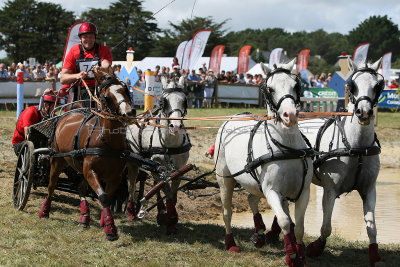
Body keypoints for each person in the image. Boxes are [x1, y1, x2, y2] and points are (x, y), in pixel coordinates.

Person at [61, 22, 112, 107]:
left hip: (100, 90)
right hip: (80, 92)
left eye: (91, 37)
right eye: (85, 37)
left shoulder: (104, 50)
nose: (89, 40)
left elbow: (107, 66)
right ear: (80, 38)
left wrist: (101, 69)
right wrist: (78, 76)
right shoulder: (73, 51)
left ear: (95, 38)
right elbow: (63, 78)